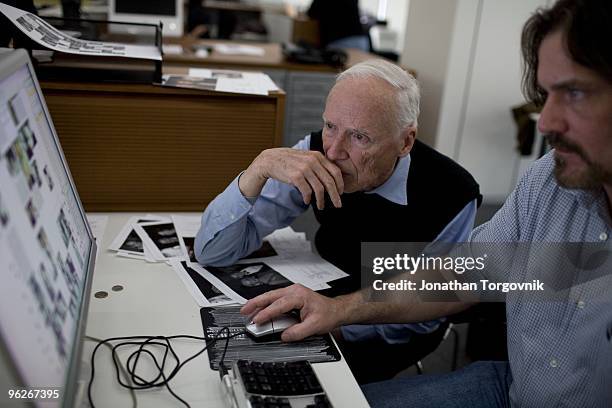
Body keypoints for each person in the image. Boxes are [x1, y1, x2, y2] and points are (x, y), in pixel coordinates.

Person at [241, 0, 612, 406]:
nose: (545, 122)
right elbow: (460, 276)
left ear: (406, 141)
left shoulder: (452, 189)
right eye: (547, 93)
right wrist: (338, 310)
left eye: (575, 92)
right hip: (512, 390)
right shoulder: (547, 180)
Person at [194, 59, 482, 383]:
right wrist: (257, 170)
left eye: (359, 137)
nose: (333, 152)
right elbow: (212, 252)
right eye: (331, 126)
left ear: (405, 142)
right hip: (320, 290)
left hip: (382, 328)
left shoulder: (454, 194)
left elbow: (428, 308)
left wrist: (337, 324)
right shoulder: (316, 152)